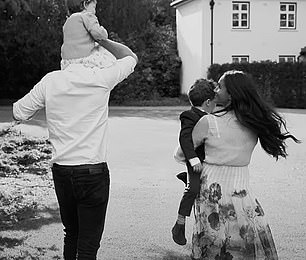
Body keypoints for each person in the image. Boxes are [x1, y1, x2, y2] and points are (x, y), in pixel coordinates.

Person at [13, 39, 138, 260]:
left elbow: (19, 112)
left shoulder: (51, 81)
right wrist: (101, 38)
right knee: (88, 245)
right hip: (93, 173)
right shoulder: (100, 78)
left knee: (71, 234)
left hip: (62, 172)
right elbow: (130, 57)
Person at [188, 70, 300, 259]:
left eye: (220, 87)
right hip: (241, 191)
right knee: (244, 240)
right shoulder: (254, 123)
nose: (215, 91)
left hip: (211, 189)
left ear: (231, 94)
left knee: (213, 243)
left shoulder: (208, 122)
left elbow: (183, 153)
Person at [171, 79, 216, 246]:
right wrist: (193, 159)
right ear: (208, 102)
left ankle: (187, 180)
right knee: (194, 189)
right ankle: (179, 224)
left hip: (212, 161)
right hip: (195, 161)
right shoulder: (189, 116)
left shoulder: (212, 117)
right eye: (215, 103)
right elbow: (185, 139)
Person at [61, 0, 116, 70]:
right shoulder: (86, 15)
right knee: (104, 50)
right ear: (85, 4)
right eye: (94, 7)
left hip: (66, 62)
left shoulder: (67, 21)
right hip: (83, 59)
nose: (95, 11)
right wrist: (103, 31)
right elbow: (99, 34)